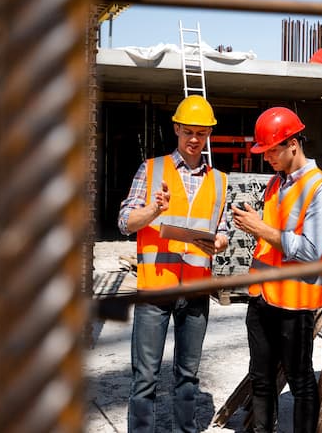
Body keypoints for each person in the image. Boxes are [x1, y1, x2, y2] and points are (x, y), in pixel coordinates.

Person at [118, 95, 229, 433]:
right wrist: (154, 210)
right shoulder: (151, 170)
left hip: (196, 290)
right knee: (146, 377)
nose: (194, 139)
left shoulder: (220, 181)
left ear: (208, 134)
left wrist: (221, 241)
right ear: (177, 129)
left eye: (202, 133)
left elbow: (221, 229)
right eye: (188, 132)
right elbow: (125, 222)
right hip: (155, 289)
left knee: (187, 375)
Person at [231, 107, 322, 433]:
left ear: (293, 144)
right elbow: (275, 235)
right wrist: (257, 223)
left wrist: (260, 228)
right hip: (263, 298)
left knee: (300, 382)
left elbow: (310, 250)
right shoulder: (275, 184)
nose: (266, 157)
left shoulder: (319, 190)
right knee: (261, 378)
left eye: (271, 150)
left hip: (295, 304)